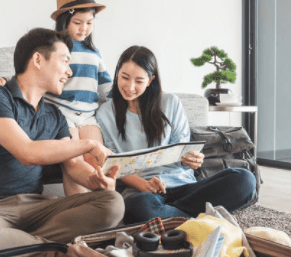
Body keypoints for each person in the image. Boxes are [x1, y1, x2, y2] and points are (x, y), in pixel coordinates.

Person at [0, 28, 124, 257]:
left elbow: (73, 165)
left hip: (38, 210)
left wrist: (97, 181)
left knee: (113, 202)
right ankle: (63, 250)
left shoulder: (56, 116)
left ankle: (26, 247)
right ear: (38, 59)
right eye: (65, 61)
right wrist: (88, 144)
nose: (69, 71)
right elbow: (27, 152)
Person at [96, 45, 257, 224]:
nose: (129, 86)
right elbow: (112, 163)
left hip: (184, 186)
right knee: (139, 209)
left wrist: (190, 160)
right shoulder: (105, 113)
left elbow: (182, 151)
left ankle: (172, 218)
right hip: (142, 192)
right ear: (117, 73)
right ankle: (202, 218)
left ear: (150, 81)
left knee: (245, 181)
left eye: (139, 81)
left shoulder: (170, 103)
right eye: (124, 77)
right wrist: (144, 185)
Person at [0, 0, 113, 196]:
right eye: (77, 22)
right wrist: (3, 80)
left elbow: (107, 86)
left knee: (98, 158)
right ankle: (77, 203)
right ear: (65, 22)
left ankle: (101, 202)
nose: (84, 28)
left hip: (88, 115)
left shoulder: (95, 53)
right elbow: (28, 74)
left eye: (89, 23)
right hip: (63, 112)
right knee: (73, 161)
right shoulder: (55, 50)